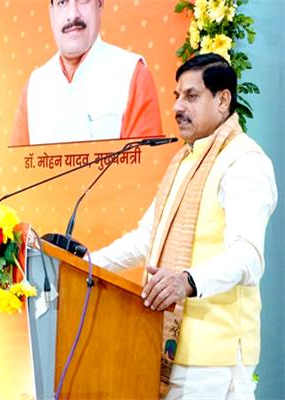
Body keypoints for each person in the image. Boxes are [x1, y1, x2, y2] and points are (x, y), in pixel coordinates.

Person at [90, 53, 277, 399]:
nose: (178, 107)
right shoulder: (184, 162)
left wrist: (187, 281)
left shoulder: (245, 162)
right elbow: (147, 238)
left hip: (215, 361)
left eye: (191, 96)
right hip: (168, 349)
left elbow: (248, 257)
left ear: (223, 100)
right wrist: (88, 265)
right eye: (177, 96)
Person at [10, 0, 162, 146]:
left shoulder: (132, 73)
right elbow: (16, 162)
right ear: (51, 12)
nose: (73, 14)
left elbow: (146, 162)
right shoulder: (34, 86)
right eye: (62, 2)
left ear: (100, 3)